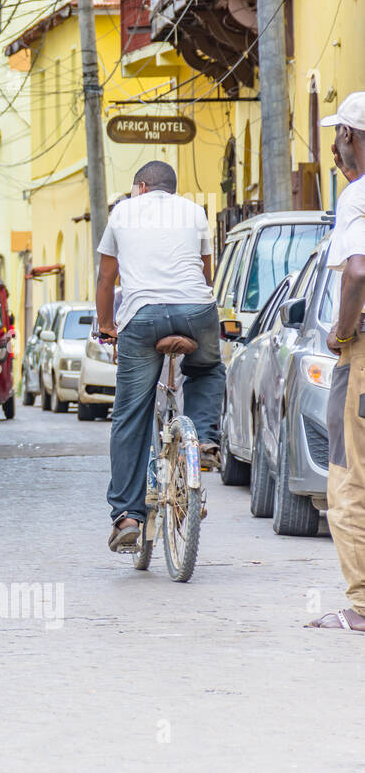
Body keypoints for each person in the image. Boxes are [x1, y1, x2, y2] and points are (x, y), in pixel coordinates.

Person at [95, 160, 225, 552]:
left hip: (143, 315)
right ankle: (202, 440)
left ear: (141, 187)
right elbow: (206, 273)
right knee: (207, 369)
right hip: (196, 310)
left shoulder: (122, 211)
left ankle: (128, 516)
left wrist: (106, 325)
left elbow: (106, 279)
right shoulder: (195, 211)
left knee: (130, 412)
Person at [307, 92, 365, 631]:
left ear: (349, 136)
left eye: (338, 135)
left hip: (363, 353)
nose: (333, 146)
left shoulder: (358, 196)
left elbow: (357, 272)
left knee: (348, 479)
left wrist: (341, 333)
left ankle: (362, 608)